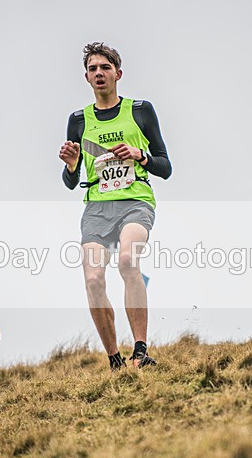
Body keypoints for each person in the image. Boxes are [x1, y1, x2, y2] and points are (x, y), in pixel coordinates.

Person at [59, 42, 172, 371]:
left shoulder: (139, 110)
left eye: (105, 68)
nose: (99, 73)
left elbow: (165, 167)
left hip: (134, 201)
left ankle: (140, 350)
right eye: (93, 69)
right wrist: (70, 164)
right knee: (93, 279)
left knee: (126, 261)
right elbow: (70, 181)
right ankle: (114, 360)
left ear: (117, 74)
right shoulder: (79, 121)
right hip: (96, 209)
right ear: (86, 77)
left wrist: (141, 155)